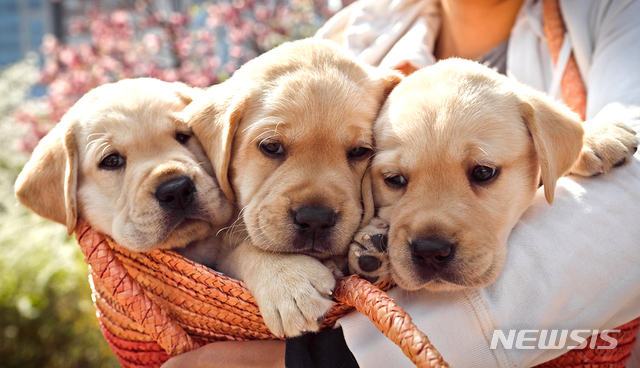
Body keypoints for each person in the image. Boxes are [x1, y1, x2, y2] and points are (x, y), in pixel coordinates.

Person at [162, 0, 640, 367]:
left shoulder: (614, 13)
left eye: (357, 152)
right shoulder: (360, 28)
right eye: (393, 177)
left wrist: (331, 358)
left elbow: (627, 197)